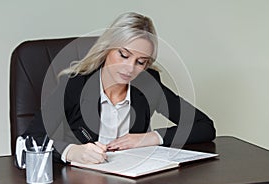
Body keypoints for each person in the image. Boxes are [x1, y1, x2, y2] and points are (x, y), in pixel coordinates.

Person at [24, 12, 216, 164]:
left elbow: (204, 126)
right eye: (124, 55)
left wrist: (148, 138)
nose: (130, 68)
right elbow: (30, 140)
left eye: (141, 62)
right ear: (107, 48)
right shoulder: (75, 84)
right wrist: (71, 152)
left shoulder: (148, 85)